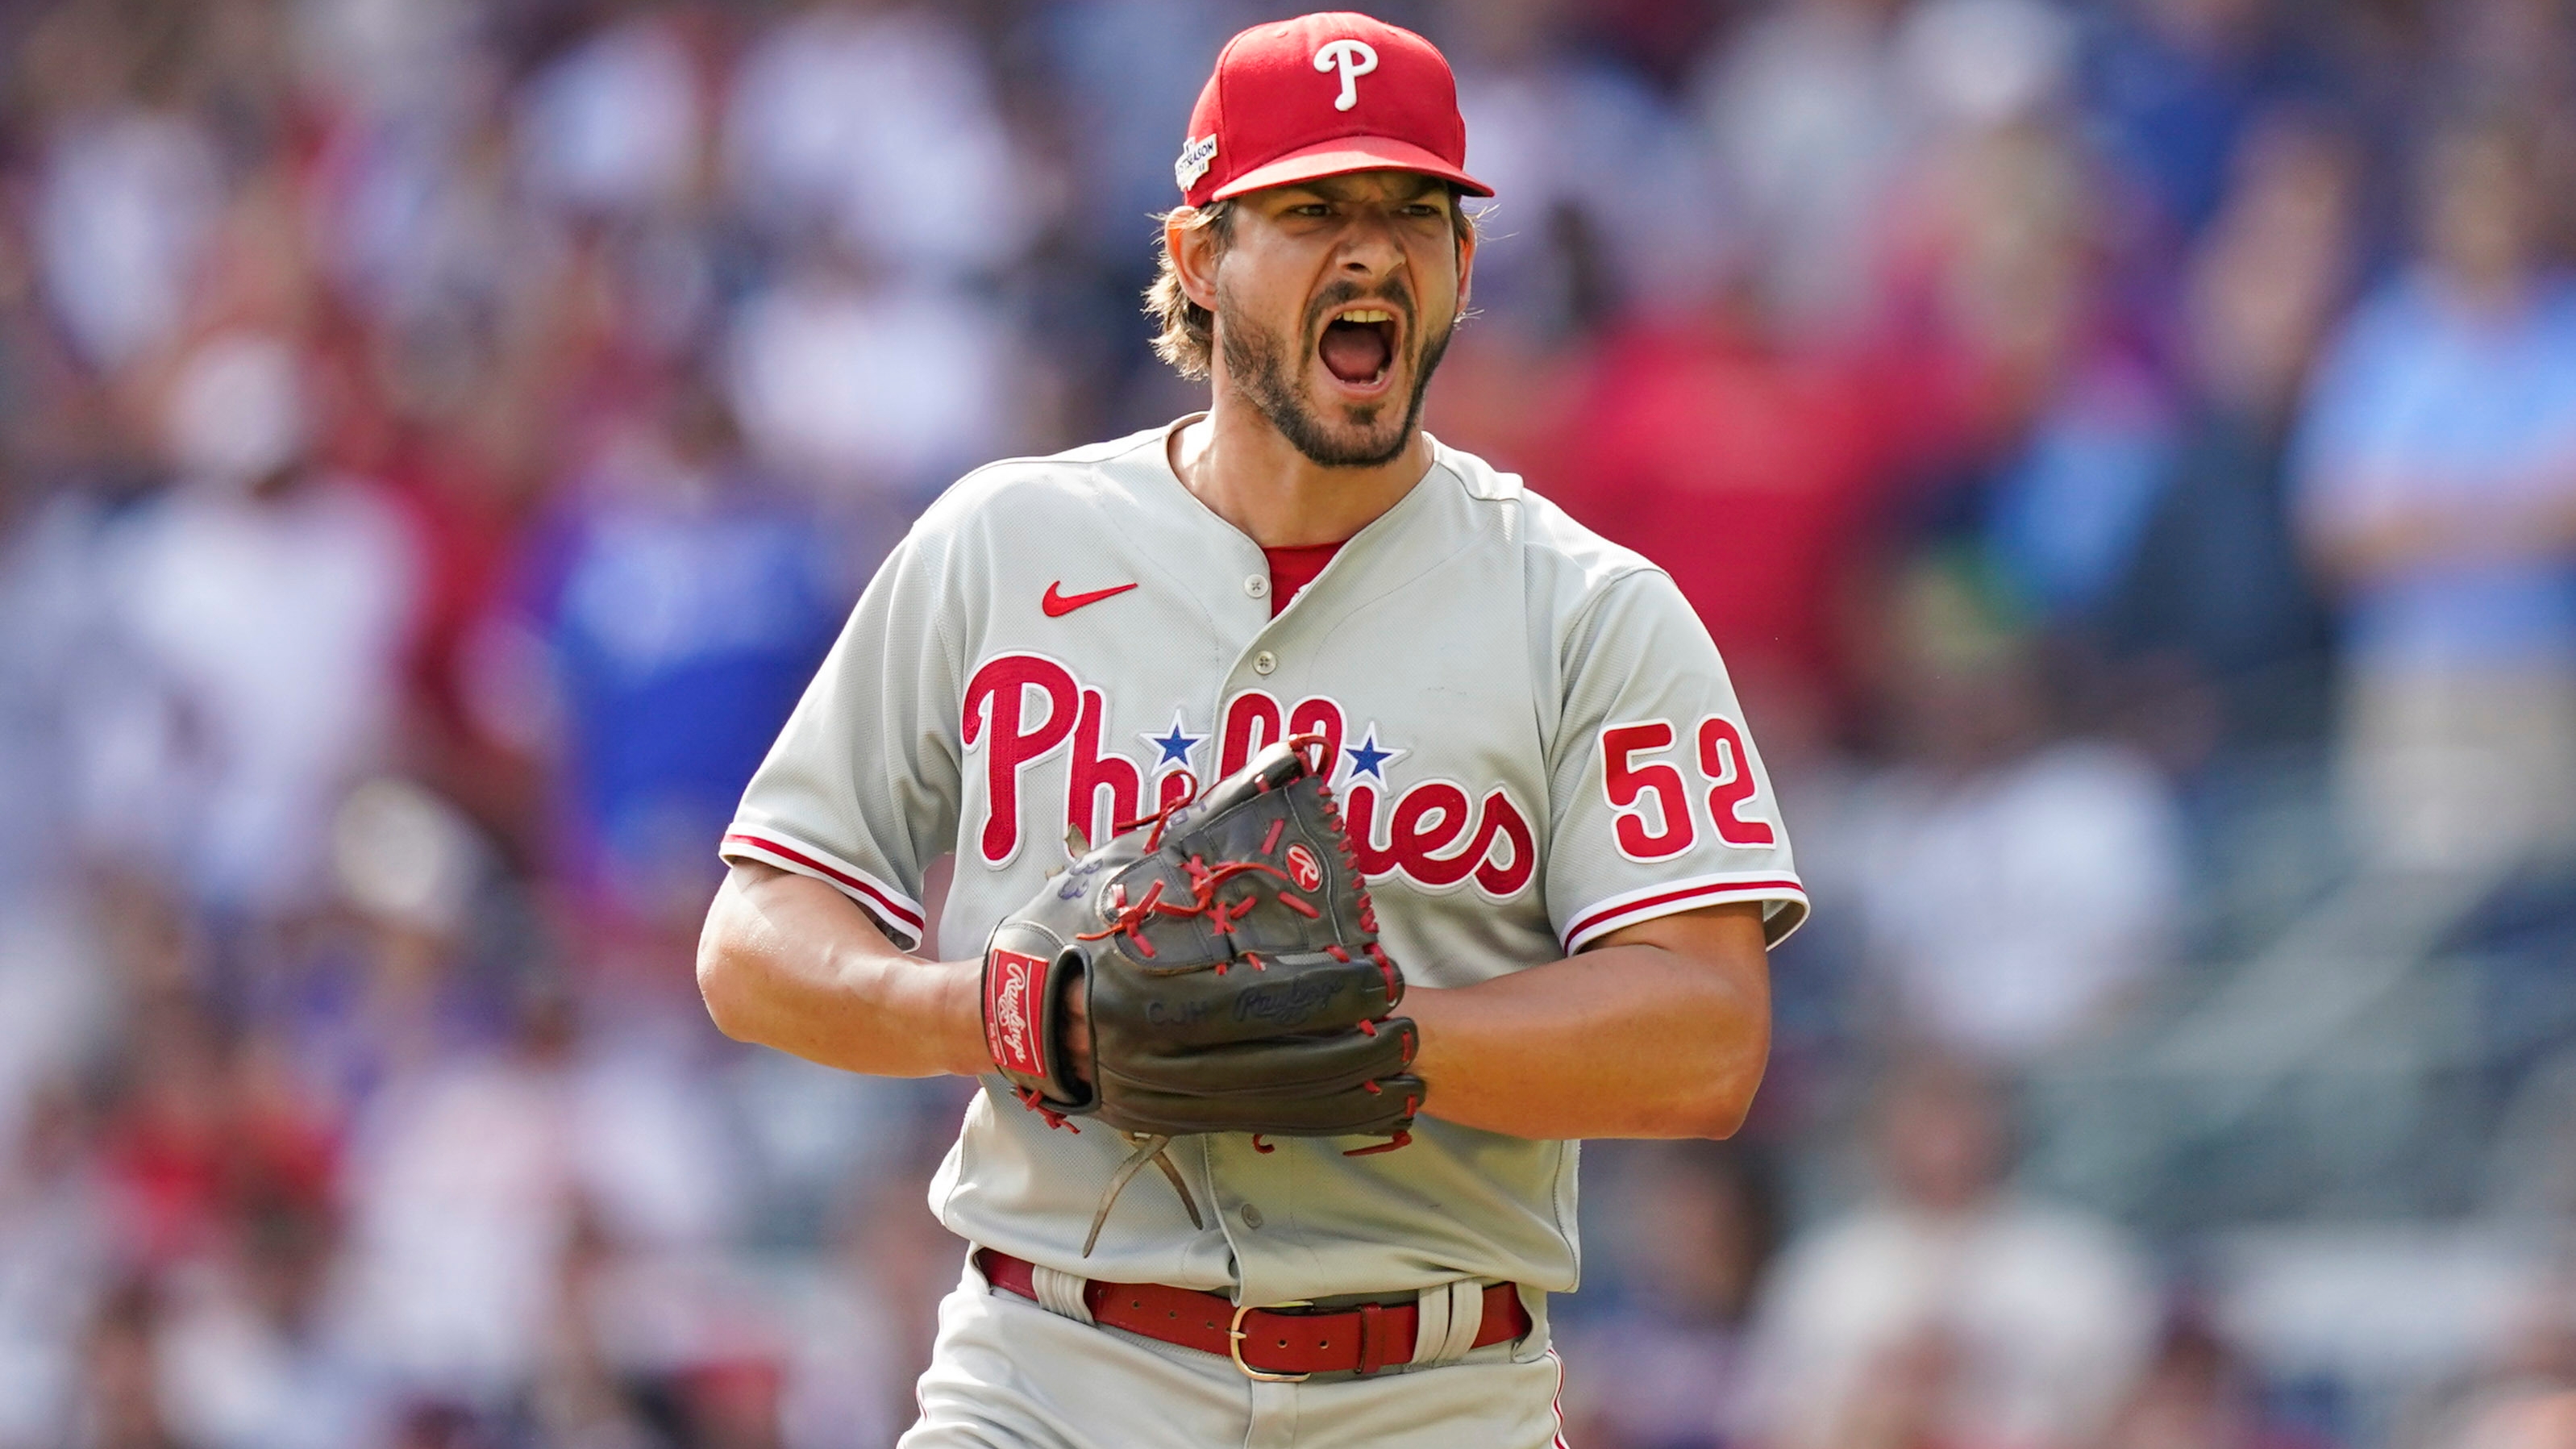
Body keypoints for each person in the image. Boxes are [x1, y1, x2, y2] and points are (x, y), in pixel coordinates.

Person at [693, 13, 1804, 1447]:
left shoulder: (1586, 608)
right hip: (1052, 1366)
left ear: (1463, 267)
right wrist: (1013, 1013)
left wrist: (1365, 1032)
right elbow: (757, 939)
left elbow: (1708, 1040)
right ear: (1199, 259)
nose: (1374, 249)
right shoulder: (1002, 544)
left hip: (1431, 1390)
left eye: (1415, 211)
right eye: (1312, 209)